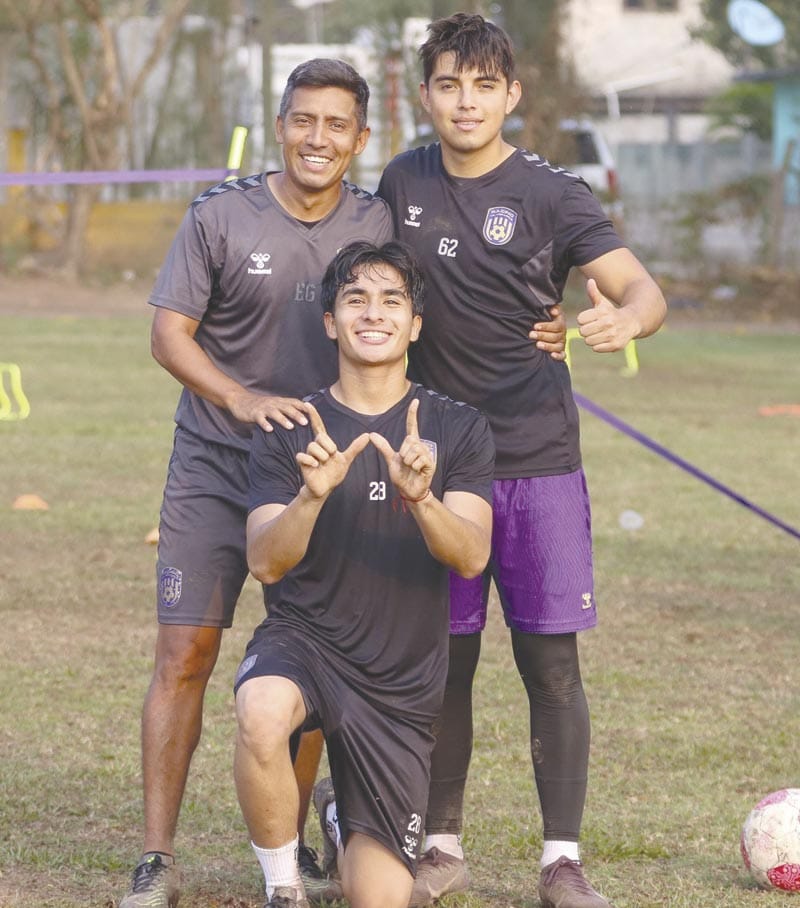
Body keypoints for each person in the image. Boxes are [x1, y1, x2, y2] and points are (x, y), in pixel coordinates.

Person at [375, 13, 668, 908]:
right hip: (439, 461)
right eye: (449, 84)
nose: (466, 102)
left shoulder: (553, 194)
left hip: (538, 457)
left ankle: (562, 863)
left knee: (550, 667)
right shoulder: (402, 179)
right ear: (425, 94)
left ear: (513, 95)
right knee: (443, 663)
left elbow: (642, 288)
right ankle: (439, 846)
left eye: (484, 86)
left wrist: (622, 321)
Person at [118, 59, 395, 908]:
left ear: (360, 137)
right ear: (279, 124)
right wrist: (239, 397)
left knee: (303, 655)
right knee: (186, 653)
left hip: (314, 470)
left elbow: (406, 311)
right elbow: (170, 335)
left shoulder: (374, 220)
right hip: (212, 462)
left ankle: (300, 840)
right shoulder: (221, 213)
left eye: (337, 124)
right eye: (303, 120)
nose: (319, 138)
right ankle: (158, 858)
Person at [234, 240, 495, 908]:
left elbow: (470, 556)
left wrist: (422, 500)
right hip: (308, 643)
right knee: (261, 711)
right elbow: (265, 560)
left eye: (391, 301)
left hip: (399, 683)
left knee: (378, 899)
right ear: (330, 321)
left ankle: (341, 822)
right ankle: (284, 886)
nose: (372, 314)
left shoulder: (458, 427)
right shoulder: (291, 426)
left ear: (415, 324)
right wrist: (311, 496)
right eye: (355, 300)